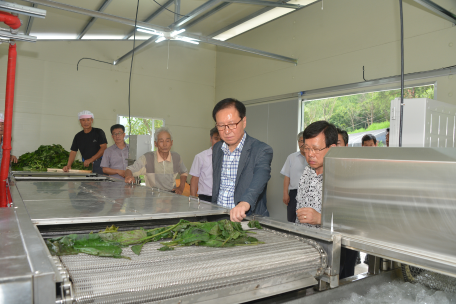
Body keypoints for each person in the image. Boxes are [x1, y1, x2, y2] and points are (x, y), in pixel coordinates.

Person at [212, 98, 273, 222]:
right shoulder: (217, 148)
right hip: (219, 218)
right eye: (221, 126)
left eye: (232, 124)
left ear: (243, 121)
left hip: (247, 219)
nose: (227, 131)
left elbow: (261, 177)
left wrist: (244, 203)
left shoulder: (261, 149)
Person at [295, 120, 337, 228]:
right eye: (307, 148)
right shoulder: (306, 172)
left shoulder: (341, 179)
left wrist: (320, 218)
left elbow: (354, 223)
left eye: (316, 149)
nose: (310, 154)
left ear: (332, 148)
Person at [124, 127, 188, 194]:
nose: (165, 144)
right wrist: (128, 176)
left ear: (171, 143)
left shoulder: (176, 157)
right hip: (152, 196)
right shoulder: (147, 158)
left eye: (167, 141)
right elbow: (130, 169)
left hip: (171, 197)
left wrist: (181, 187)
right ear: (155, 144)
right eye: (161, 141)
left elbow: (184, 172)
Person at [280, 132, 307, 222]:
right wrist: (285, 193)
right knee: (291, 219)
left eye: (305, 141)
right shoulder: (291, 157)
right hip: (294, 193)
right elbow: (287, 176)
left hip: (309, 193)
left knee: (305, 220)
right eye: (301, 141)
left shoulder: (313, 157)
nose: (303, 144)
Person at [189, 127, 221, 202]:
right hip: (205, 198)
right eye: (216, 138)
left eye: (221, 139)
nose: (219, 142)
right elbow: (194, 179)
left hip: (222, 198)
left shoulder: (228, 157)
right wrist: (193, 199)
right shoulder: (200, 157)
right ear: (211, 139)